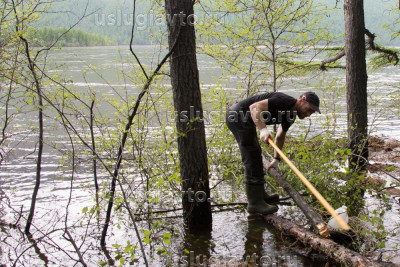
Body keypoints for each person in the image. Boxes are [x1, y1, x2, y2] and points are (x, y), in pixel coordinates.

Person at [226, 91, 321, 214]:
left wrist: (276, 159)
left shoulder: (290, 116)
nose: (308, 114)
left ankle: (260, 195)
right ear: (302, 100)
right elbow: (254, 107)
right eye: (309, 109)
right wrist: (263, 130)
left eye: (312, 112)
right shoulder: (283, 101)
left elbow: (280, 136)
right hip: (237, 115)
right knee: (251, 154)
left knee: (256, 152)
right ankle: (255, 203)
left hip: (247, 119)